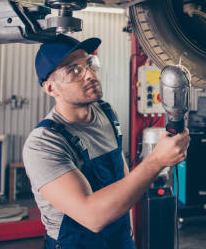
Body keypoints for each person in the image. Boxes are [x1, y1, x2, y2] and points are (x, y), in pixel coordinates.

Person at [23, 34, 190, 249]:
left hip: (120, 240)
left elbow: (120, 170)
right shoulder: (44, 144)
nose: (90, 75)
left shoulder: (105, 112)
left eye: (90, 63)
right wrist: (156, 160)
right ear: (50, 88)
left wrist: (127, 231)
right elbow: (92, 216)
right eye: (74, 70)